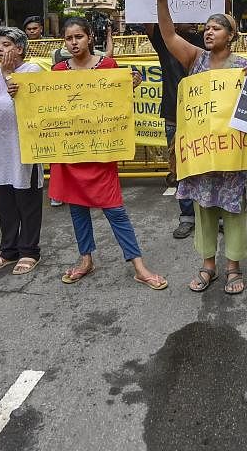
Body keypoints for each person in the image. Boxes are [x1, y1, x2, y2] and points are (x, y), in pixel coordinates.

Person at [154, 0, 247, 294]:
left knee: (233, 209)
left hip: (231, 155)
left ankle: (233, 268)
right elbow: (168, 36)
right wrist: (162, 0)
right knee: (204, 208)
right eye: (207, 28)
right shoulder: (195, 58)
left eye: (216, 28)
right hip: (200, 155)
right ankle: (208, 266)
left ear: (231, 35)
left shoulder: (243, 66)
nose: (208, 32)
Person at [50, 17, 167, 290]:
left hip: (100, 152)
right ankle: (86, 260)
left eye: (79, 36)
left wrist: (130, 85)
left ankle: (139, 266)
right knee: (77, 210)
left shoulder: (108, 66)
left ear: (90, 38)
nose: (74, 42)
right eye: (69, 38)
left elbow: (117, 105)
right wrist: (17, 90)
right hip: (70, 153)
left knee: (115, 210)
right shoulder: (56, 71)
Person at [0, 26, 45, 275]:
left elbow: (32, 104)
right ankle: (8, 250)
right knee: (4, 203)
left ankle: (29, 250)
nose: (0, 49)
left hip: (23, 148)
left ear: (20, 48)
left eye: (6, 44)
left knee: (27, 201)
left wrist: (10, 74)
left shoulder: (32, 70)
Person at [143, 18, 204, 239]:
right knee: (180, 170)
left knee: (210, 168)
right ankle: (187, 217)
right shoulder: (165, 43)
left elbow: (221, 15)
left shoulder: (204, 42)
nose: (194, 19)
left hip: (204, 117)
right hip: (174, 117)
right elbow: (148, 22)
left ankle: (213, 215)